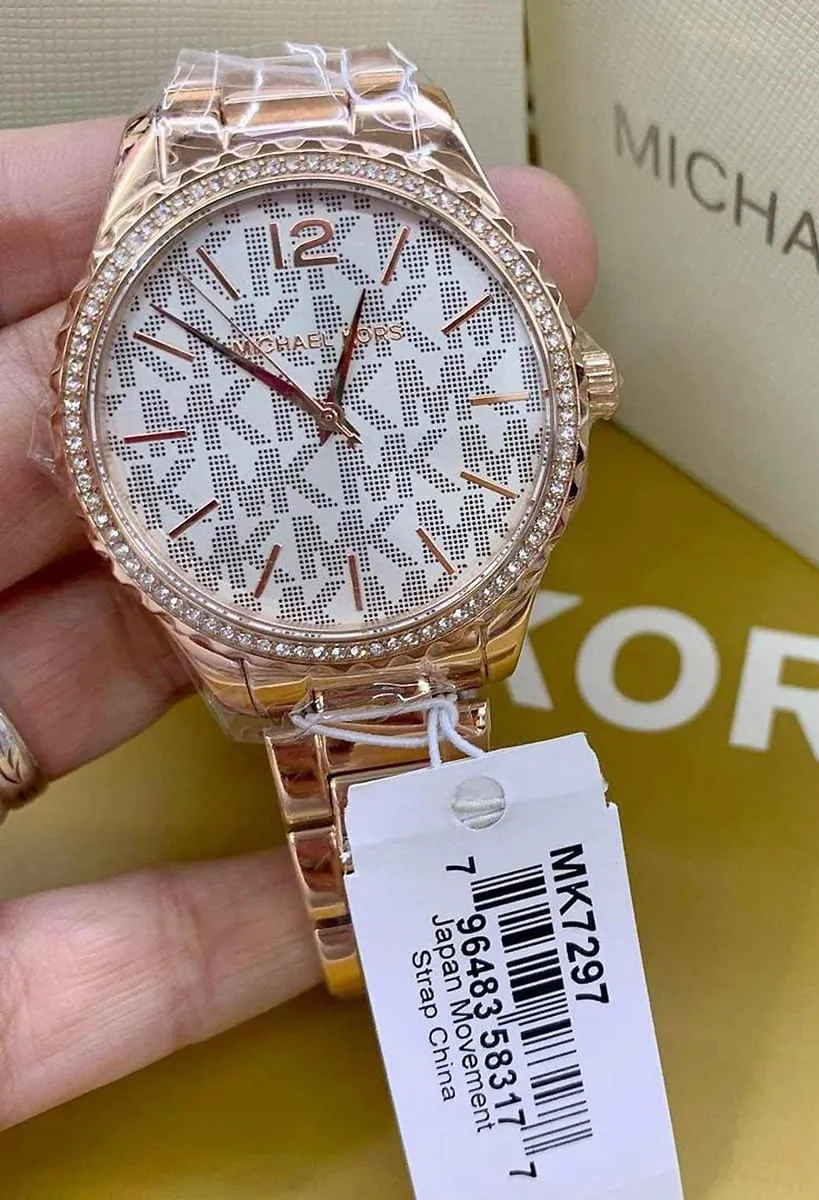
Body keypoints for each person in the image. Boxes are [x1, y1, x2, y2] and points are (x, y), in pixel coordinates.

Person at [0, 116, 598, 1130]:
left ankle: (388, 928)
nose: (328, 418)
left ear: (580, 386)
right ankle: (379, 928)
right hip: (263, 607)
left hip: (430, 600)